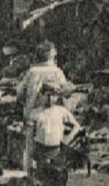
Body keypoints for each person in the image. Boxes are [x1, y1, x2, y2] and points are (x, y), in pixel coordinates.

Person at [29, 85, 81, 186]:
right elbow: (30, 136)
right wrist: (31, 158)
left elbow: (77, 126)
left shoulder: (61, 112)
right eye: (47, 95)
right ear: (42, 95)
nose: (51, 98)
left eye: (54, 95)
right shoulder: (36, 113)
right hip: (41, 152)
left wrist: (67, 138)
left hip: (57, 152)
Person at [15, 41, 70, 171]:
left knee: (31, 146)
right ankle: (52, 172)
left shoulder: (32, 71)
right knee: (53, 143)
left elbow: (20, 91)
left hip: (34, 112)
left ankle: (31, 173)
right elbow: (66, 90)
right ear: (52, 55)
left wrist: (26, 103)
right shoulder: (57, 72)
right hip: (52, 114)